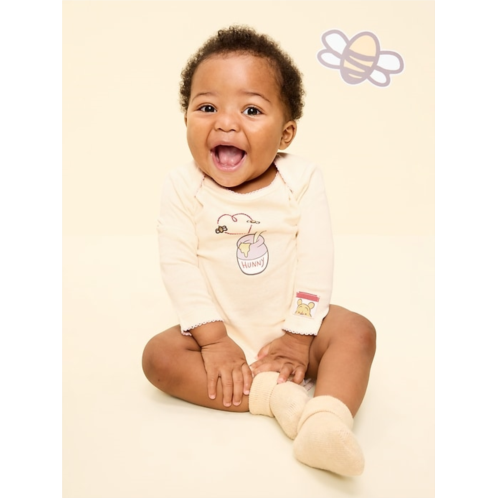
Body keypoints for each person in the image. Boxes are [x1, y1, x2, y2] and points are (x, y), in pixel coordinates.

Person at [142, 25, 376, 477]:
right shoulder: (182, 186)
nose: (226, 123)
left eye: (251, 110)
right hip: (217, 331)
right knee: (158, 358)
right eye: (207, 107)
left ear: (286, 134)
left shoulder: (301, 180)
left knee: (357, 332)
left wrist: (300, 336)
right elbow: (178, 265)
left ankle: (326, 420)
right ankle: (274, 398)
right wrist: (214, 340)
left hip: (297, 324)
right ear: (186, 118)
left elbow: (316, 259)